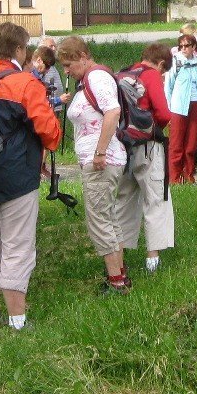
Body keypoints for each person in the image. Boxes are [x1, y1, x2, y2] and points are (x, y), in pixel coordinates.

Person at [0, 23, 61, 329]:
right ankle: (18, 321)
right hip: (17, 178)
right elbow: (49, 130)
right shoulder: (25, 83)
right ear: (19, 49)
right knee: (17, 246)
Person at [56, 36, 133, 292]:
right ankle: (120, 274)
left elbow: (113, 112)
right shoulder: (87, 81)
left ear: (82, 56)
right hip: (102, 159)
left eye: (68, 64)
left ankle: (116, 282)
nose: (66, 71)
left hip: (102, 161)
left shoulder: (97, 78)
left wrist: (99, 152)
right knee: (108, 217)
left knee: (99, 219)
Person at [120, 42, 176, 273]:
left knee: (123, 200)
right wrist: (156, 128)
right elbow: (163, 113)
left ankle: (118, 258)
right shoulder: (152, 76)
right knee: (155, 197)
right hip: (148, 146)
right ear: (161, 64)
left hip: (123, 145)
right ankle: (152, 258)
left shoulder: (122, 73)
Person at [165, 28, 197, 186]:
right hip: (178, 106)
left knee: (191, 143)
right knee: (176, 143)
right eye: (181, 46)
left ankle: (189, 174)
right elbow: (168, 88)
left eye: (187, 45)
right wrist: (169, 110)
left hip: (196, 104)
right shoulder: (175, 62)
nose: (183, 48)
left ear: (194, 47)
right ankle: (175, 177)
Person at [34, 35, 65, 110]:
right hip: (47, 107)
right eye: (51, 46)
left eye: (55, 46)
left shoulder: (52, 65)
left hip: (55, 106)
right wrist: (58, 100)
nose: (54, 49)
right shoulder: (39, 67)